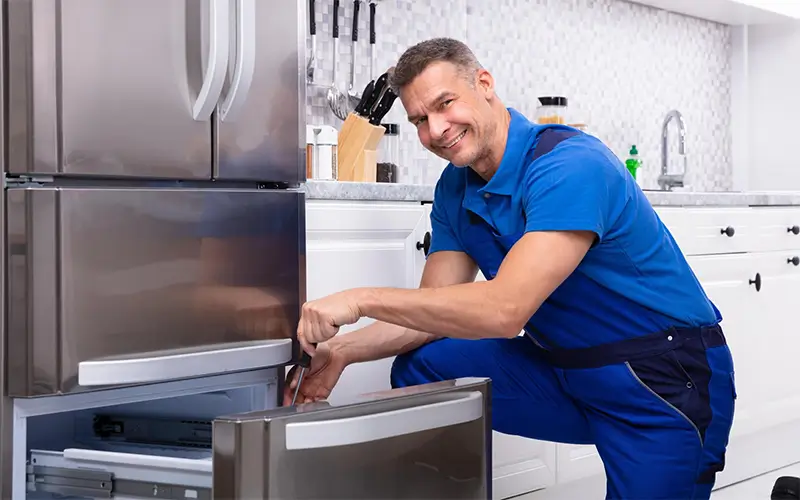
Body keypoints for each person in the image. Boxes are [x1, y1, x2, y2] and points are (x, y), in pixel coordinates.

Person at [284, 37, 736, 500]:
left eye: (445, 104)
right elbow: (430, 314)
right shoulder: (455, 189)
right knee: (426, 367)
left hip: (662, 378)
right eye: (419, 119)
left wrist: (360, 299)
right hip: (565, 371)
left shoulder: (571, 165)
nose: (436, 129)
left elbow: (505, 311)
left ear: (484, 84)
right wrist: (344, 351)